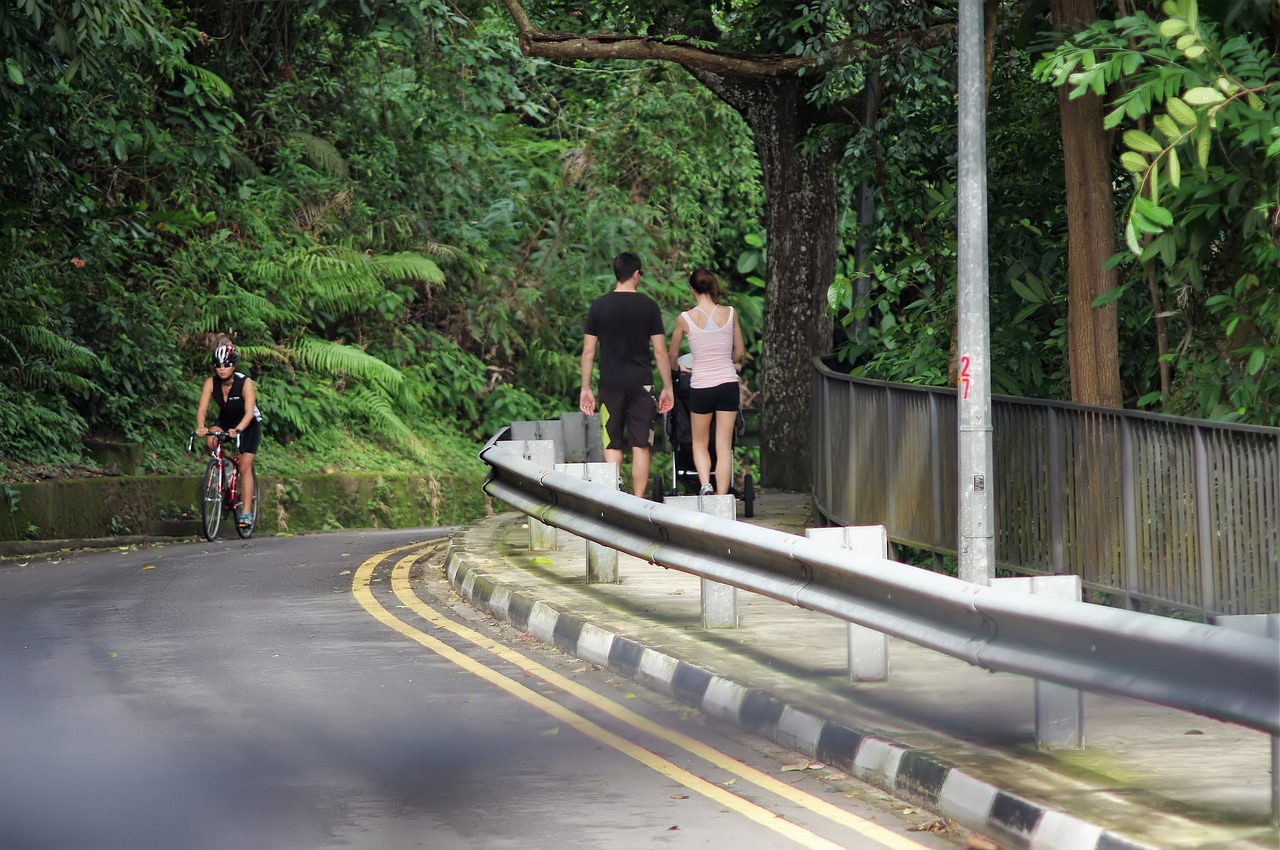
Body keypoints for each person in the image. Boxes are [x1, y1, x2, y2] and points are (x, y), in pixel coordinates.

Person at [580, 252, 675, 496]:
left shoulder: (599, 306)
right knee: (641, 444)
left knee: (612, 442)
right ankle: (639, 502)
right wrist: (667, 387)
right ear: (636, 274)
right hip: (641, 384)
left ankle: (615, 492)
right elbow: (661, 351)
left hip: (610, 384)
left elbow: (589, 352)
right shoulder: (649, 306)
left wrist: (586, 388)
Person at [668, 268, 745, 496]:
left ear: (692, 289)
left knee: (700, 442)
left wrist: (678, 368)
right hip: (728, 385)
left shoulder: (685, 318)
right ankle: (722, 497)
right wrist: (726, 362)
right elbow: (739, 351)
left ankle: (705, 485)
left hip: (701, 386)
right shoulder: (730, 313)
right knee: (723, 446)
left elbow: (672, 355)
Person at [195, 339, 262, 530]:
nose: (222, 369)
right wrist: (201, 426)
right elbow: (202, 409)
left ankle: (247, 513)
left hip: (248, 424)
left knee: (244, 466)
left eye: (226, 365)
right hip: (226, 420)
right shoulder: (211, 383)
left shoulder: (244, 382)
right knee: (211, 440)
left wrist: (238, 429)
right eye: (218, 366)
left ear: (234, 365)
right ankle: (223, 466)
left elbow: (249, 412)